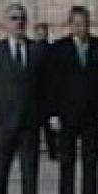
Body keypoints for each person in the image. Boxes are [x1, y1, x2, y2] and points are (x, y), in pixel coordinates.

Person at [45, 6, 98, 194]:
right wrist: (52, 113)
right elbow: (52, 83)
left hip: (92, 115)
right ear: (70, 25)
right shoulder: (58, 49)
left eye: (84, 23)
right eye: (76, 23)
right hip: (67, 115)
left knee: (90, 165)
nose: (81, 27)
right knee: (67, 165)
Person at [0, 4, 47, 194]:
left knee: (30, 172)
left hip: (30, 122)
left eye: (21, 18)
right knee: (1, 172)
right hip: (3, 122)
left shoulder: (37, 51)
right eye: (13, 18)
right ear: (5, 23)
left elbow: (43, 87)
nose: (18, 22)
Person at [34, 20, 61, 160]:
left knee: (49, 126)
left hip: (46, 93)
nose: (42, 34)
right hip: (38, 93)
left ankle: (53, 150)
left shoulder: (50, 49)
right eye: (39, 32)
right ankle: (51, 151)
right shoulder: (32, 49)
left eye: (43, 32)